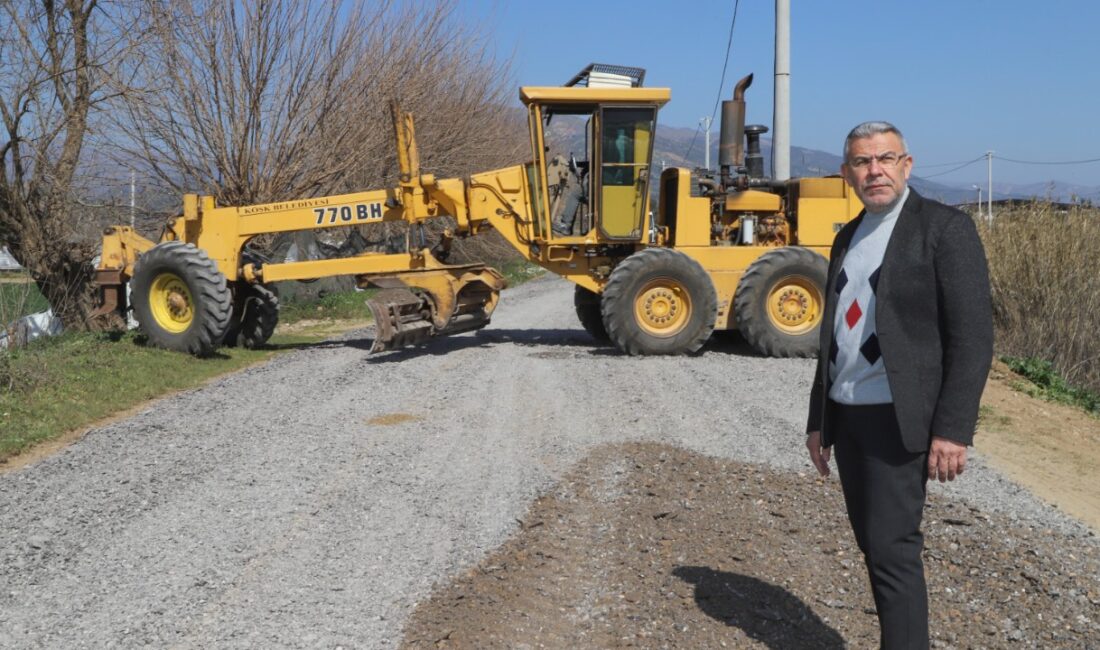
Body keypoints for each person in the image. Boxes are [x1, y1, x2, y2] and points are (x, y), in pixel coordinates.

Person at [805, 121, 993, 649]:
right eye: (863, 162)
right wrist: (818, 420)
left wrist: (953, 430)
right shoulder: (848, 234)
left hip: (899, 418)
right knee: (874, 545)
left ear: (907, 165)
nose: (875, 170)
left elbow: (974, 338)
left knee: (893, 550)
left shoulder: (943, 229)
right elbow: (834, 335)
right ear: (847, 174)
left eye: (886, 159)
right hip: (849, 414)